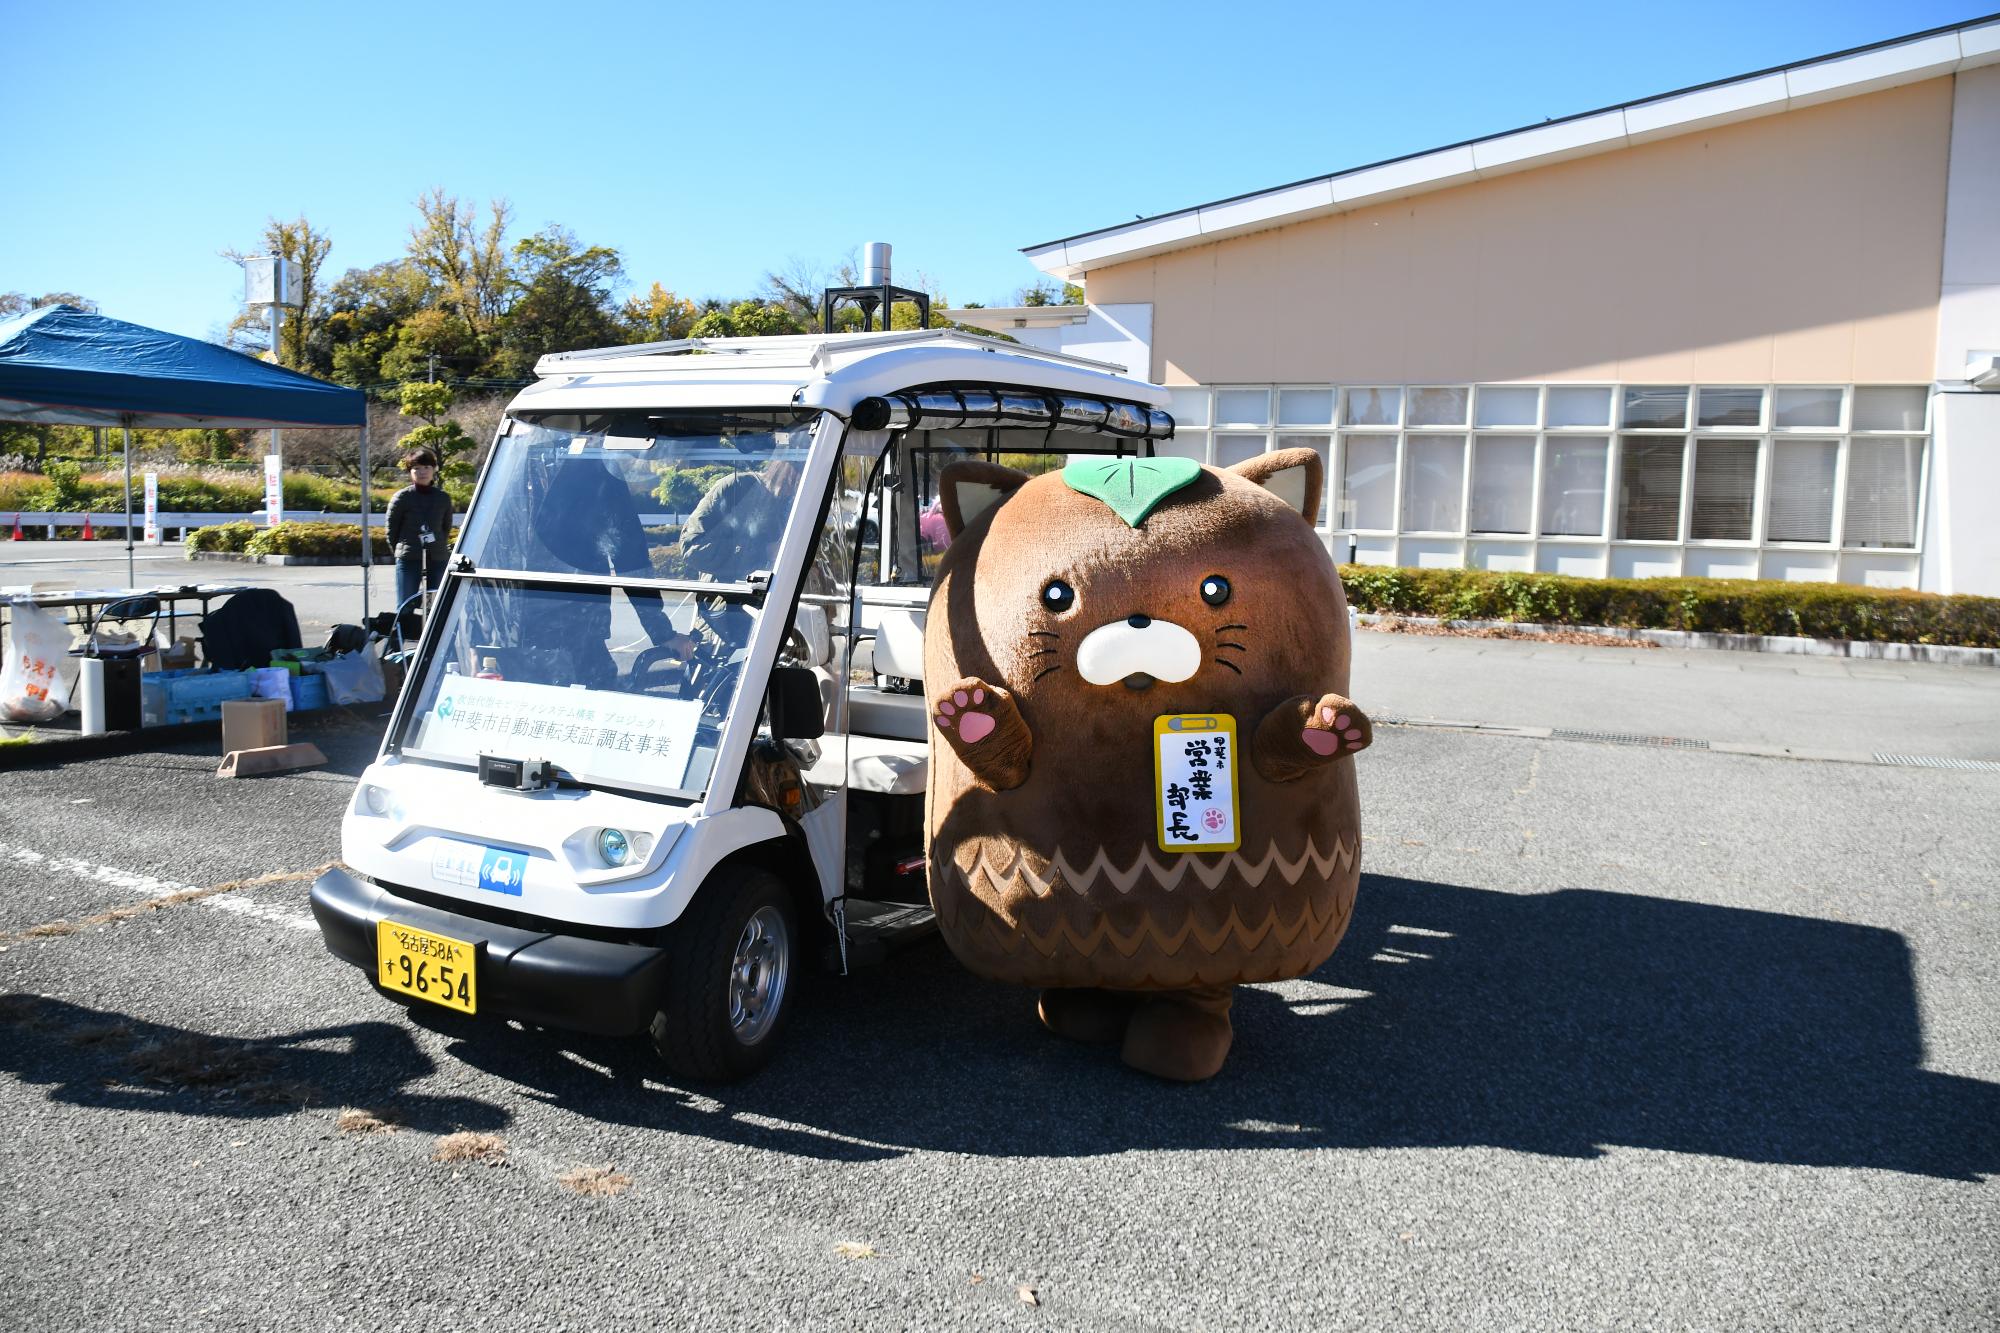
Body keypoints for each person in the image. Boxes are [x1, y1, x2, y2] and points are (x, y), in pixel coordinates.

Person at [386, 449, 454, 622]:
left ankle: (431, 646)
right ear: (410, 471)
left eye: (426, 467)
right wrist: (404, 550)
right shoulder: (401, 497)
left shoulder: (443, 498)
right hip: (409, 559)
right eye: (416, 468)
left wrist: (437, 547)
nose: (422, 472)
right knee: (405, 605)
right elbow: (391, 531)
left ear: (434, 469)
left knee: (435, 606)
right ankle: (399, 644)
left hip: (437, 558)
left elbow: (445, 529)